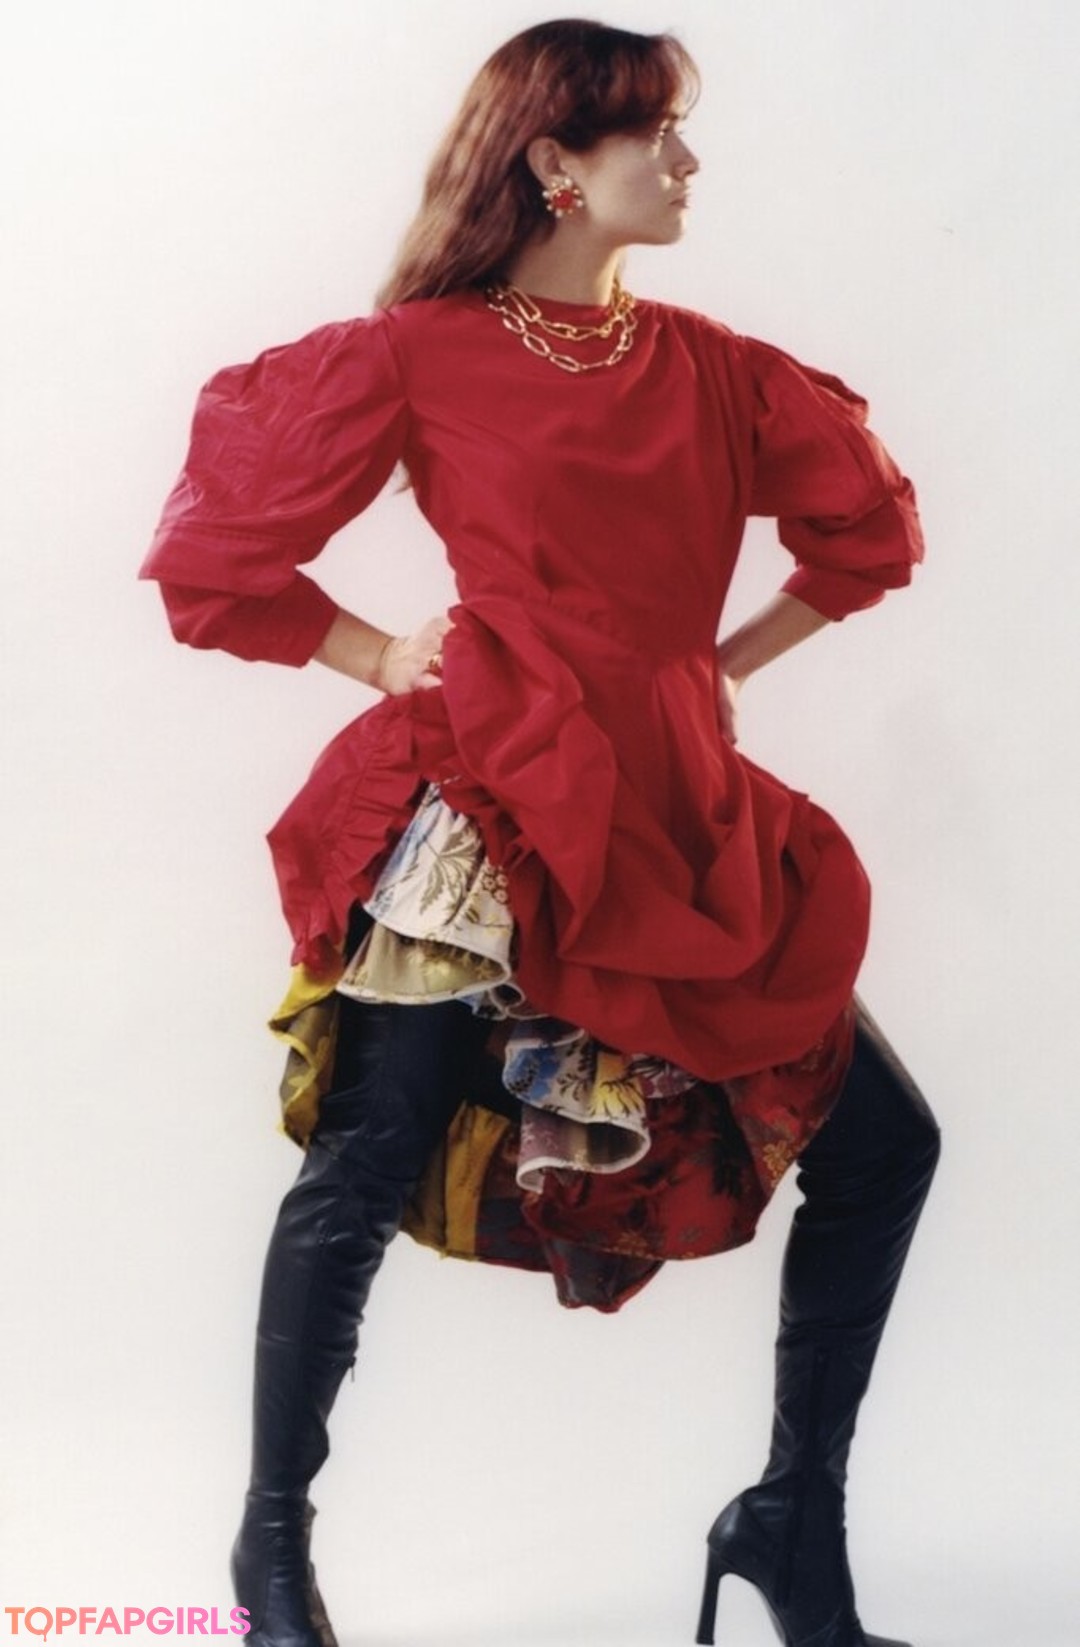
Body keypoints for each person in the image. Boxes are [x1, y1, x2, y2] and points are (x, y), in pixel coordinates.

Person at [141, 19, 940, 1647]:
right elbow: (222, 557)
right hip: (495, 790)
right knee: (367, 1153)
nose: (689, 162)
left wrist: (720, 667)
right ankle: (270, 1551)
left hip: (676, 804)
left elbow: (864, 532)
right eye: (659, 133)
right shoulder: (418, 353)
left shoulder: (717, 365)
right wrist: (379, 655)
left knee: (886, 1147)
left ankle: (792, 1522)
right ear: (557, 163)